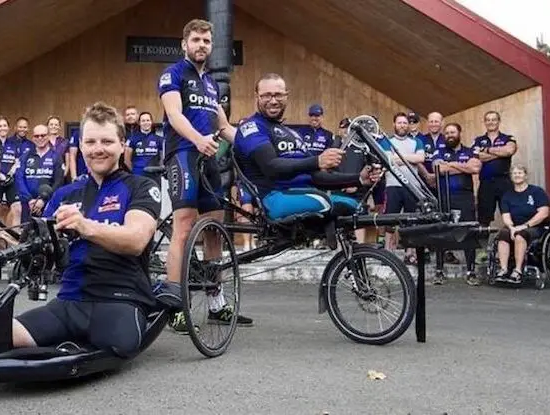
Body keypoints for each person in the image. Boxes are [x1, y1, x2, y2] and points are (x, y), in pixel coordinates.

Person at [0, 101, 161, 358]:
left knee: (117, 343)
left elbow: (136, 240)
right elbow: (30, 251)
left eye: (107, 141)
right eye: (90, 142)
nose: (98, 149)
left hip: (120, 298)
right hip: (69, 302)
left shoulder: (141, 187)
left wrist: (84, 226)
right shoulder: (64, 195)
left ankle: (63, 347)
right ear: (80, 146)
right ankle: (63, 346)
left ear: (122, 144)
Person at [158, 18, 248, 333]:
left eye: (206, 41)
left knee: (214, 229)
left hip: (209, 155)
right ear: (184, 43)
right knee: (183, 228)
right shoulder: (173, 73)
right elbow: (174, 114)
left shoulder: (211, 83)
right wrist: (197, 138)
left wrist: (257, 149)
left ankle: (216, 304)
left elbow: (224, 128)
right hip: (183, 153)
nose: (201, 45)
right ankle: (176, 307)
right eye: (196, 39)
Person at [233, 73, 380, 222]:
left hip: (304, 193)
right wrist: (317, 161)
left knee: (353, 204)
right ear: (257, 96)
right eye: (266, 96)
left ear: (286, 96)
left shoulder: (292, 134)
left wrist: (359, 179)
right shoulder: (252, 127)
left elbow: (316, 177)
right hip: (274, 197)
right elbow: (271, 166)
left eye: (278, 95)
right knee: (327, 202)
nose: (273, 101)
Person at [431, 123, 482, 286]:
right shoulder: (439, 151)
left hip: (465, 197)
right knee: (441, 232)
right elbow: (438, 169)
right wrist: (463, 167)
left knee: (469, 231)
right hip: (444, 197)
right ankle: (439, 272)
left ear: (459, 133)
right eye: (446, 133)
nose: (449, 135)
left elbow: (475, 168)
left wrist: (451, 165)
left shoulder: (470, 151)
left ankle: (471, 272)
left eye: (452, 132)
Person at [380, 112, 426, 264]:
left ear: (409, 125)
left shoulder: (417, 141)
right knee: (389, 220)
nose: (402, 125)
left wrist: (398, 158)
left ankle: (410, 253)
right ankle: (387, 253)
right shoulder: (387, 141)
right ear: (394, 124)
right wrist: (408, 158)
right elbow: (387, 160)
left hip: (412, 186)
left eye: (405, 123)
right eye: (399, 123)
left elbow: (420, 158)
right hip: (393, 185)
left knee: (411, 221)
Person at [493, 165, 550, 284]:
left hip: (534, 226)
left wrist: (525, 226)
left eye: (520, 173)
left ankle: (518, 271)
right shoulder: (507, 195)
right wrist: (511, 227)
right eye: (514, 173)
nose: (517, 175)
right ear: (511, 177)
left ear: (525, 175)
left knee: (520, 235)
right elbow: (506, 215)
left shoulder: (536, 192)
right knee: (503, 234)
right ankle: (503, 269)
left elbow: (543, 213)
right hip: (514, 226)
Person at [475, 110, 518, 227]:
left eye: (493, 119)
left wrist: (487, 150)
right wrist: (500, 152)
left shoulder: (508, 138)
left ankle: (513, 242)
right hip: (486, 183)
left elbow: (509, 150)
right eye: (488, 120)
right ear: (484, 122)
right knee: (483, 218)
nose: (491, 122)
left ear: (499, 122)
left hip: (504, 181)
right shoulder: (478, 140)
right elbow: (478, 157)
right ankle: (483, 245)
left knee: (511, 214)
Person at [16, 124, 65, 223]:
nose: (40, 138)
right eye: (36, 136)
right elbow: (19, 179)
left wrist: (43, 201)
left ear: (48, 136)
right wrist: (30, 200)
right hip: (28, 205)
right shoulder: (25, 156)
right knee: (26, 235)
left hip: (48, 205)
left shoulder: (56, 157)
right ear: (33, 138)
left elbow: (59, 182)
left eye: (43, 135)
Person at [0, 116, 23, 227]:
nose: (2, 128)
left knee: (17, 209)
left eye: (5, 126)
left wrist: (10, 174)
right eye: (0, 126)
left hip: (11, 181)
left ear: (8, 128)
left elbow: (17, 161)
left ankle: (15, 241)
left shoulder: (14, 143)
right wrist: (0, 176)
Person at [125, 111, 164, 184]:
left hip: (154, 175)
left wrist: (159, 168)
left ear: (151, 122)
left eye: (148, 120)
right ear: (139, 123)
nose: (146, 123)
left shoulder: (159, 139)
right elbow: (126, 160)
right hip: (138, 174)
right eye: (143, 121)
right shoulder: (132, 139)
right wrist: (135, 171)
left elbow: (162, 157)